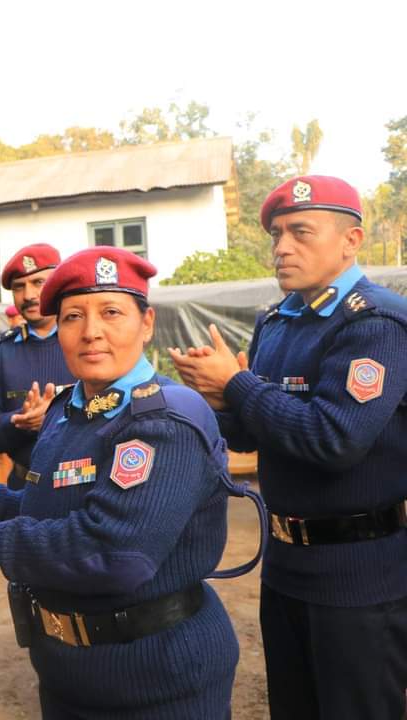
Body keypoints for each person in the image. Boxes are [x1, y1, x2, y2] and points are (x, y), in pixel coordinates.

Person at [0, 247, 242, 719]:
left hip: (157, 682)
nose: (91, 331)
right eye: (73, 316)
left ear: (146, 323)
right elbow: (43, 509)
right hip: (71, 677)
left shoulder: (166, 419)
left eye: (111, 312)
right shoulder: (69, 412)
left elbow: (115, 553)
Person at [169, 175, 407, 719]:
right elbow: (255, 437)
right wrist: (218, 399)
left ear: (351, 240)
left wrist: (238, 385)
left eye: (300, 231)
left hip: (361, 573)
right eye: (277, 234)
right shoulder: (277, 323)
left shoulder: (376, 324)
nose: (281, 248)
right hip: (287, 564)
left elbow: (334, 439)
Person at [0, 245, 74, 489]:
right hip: (23, 491)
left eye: (38, 282)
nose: (29, 295)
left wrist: (55, 416)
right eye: (19, 287)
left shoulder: (86, 340)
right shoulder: (3, 351)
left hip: (82, 490)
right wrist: (20, 422)